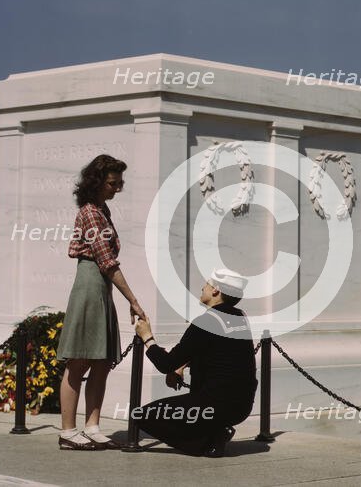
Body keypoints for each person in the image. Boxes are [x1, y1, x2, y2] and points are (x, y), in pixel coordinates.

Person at [56, 154, 147, 450]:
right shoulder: (92, 212)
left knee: (101, 361)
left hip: (100, 285)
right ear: (97, 181)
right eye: (112, 182)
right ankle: (68, 431)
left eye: (120, 183)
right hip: (91, 282)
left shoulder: (102, 209)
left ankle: (91, 425)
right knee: (80, 359)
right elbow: (107, 261)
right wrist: (133, 300)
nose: (117, 188)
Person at [133, 268, 258, 457]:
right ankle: (215, 431)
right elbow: (217, 350)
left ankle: (208, 441)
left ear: (216, 291)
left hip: (213, 407)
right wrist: (182, 366)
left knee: (142, 416)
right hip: (241, 407)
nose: (203, 287)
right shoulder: (240, 317)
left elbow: (166, 364)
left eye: (207, 284)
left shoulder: (206, 322)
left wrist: (147, 337)